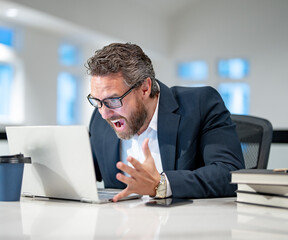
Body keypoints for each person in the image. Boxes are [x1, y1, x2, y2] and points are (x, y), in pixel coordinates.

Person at [86, 43, 245, 202]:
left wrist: (161, 184)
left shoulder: (201, 105)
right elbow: (83, 172)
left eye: (113, 100)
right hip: (121, 223)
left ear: (145, 88)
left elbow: (230, 173)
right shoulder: (100, 121)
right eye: (96, 101)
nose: (104, 114)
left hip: (186, 223)